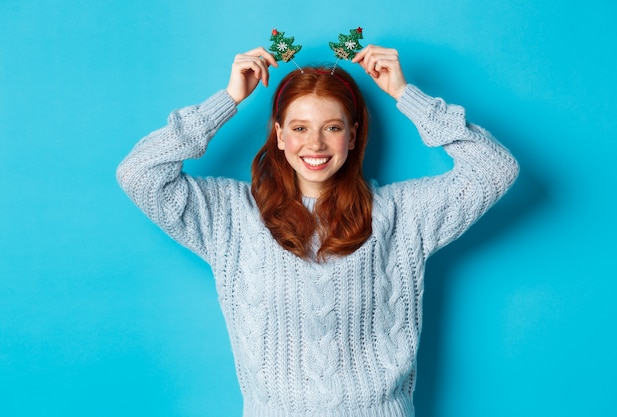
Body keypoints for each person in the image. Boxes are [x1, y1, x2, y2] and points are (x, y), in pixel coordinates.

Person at [117, 45, 519, 417]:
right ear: (279, 135)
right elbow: (139, 174)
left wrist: (405, 94)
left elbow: (494, 169)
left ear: (353, 135)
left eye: (331, 127)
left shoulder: (402, 213)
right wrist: (227, 100)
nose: (315, 144)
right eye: (299, 128)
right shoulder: (230, 215)